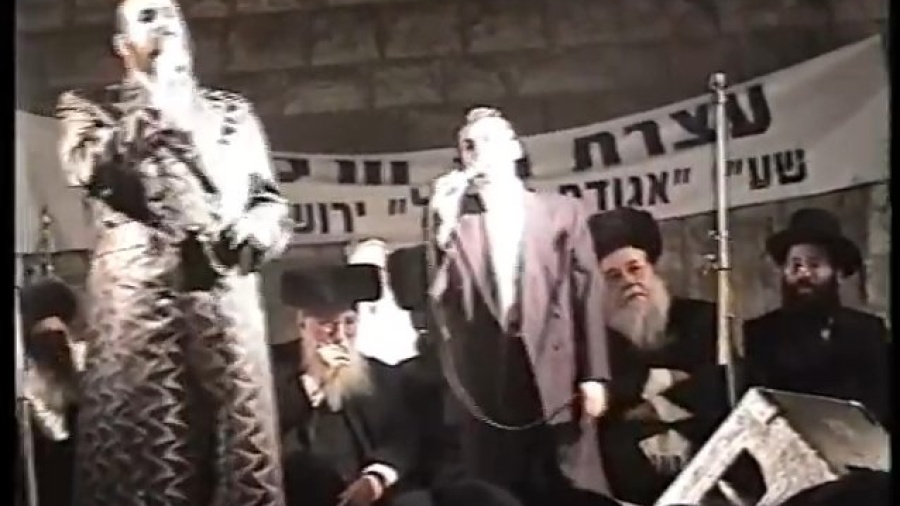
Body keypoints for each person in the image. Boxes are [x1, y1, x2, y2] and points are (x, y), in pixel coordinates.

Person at [54, 0, 292, 504]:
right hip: (142, 315)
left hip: (227, 314)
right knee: (150, 465)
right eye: (145, 16)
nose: (161, 21)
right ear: (123, 48)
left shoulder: (231, 112)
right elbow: (93, 170)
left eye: (167, 12)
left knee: (237, 461)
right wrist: (154, 97)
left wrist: (258, 229)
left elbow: (268, 201)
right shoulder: (88, 107)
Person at [425, 106, 615, 506]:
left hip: (556, 371)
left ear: (514, 148)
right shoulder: (462, 226)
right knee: (501, 489)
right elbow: (441, 300)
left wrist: (594, 375)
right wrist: (442, 228)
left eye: (488, 140)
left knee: (569, 485)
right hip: (493, 377)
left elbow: (586, 293)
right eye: (469, 145)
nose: (479, 151)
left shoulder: (562, 212)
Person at [586, 207, 726, 505]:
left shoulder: (701, 319)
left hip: (707, 457)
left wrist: (660, 409)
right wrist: (664, 379)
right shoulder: (594, 340)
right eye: (613, 276)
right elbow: (606, 400)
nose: (628, 281)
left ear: (652, 269)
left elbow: (721, 382)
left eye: (635, 268)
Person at [743, 208, 889, 428]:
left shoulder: (868, 330)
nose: (804, 273)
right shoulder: (761, 332)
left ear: (837, 272)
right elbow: (760, 404)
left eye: (814, 264)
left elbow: (881, 403)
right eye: (795, 265)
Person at [17, 276, 83, 506]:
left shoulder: (82, 386)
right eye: (45, 338)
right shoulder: (26, 396)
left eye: (58, 337)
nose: (54, 344)